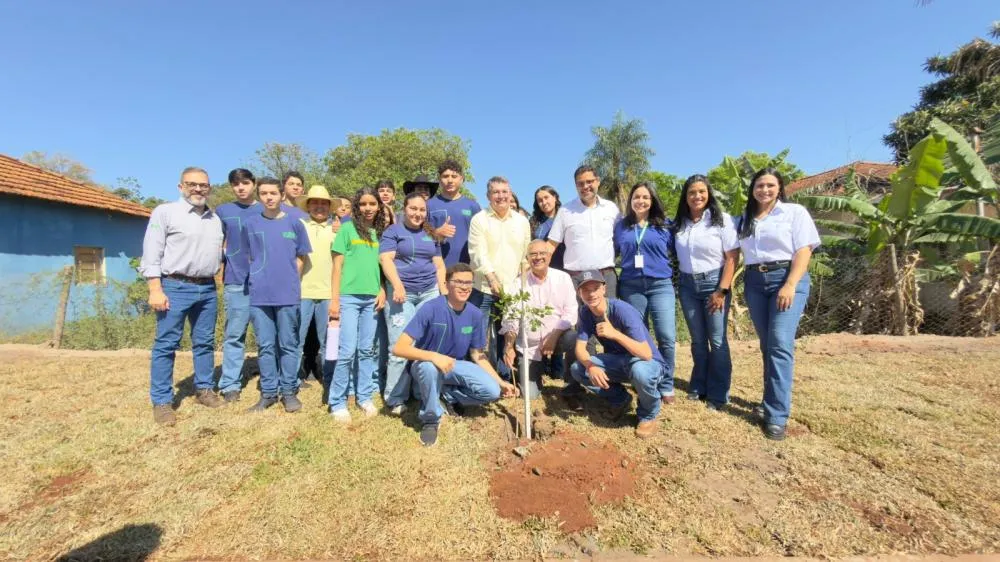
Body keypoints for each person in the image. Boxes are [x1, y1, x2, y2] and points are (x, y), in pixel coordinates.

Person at [392, 263, 519, 446]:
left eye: (468, 282)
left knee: (492, 391)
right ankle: (430, 419)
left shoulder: (475, 315)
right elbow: (399, 348)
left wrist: (501, 382)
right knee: (428, 368)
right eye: (459, 282)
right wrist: (434, 356)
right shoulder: (430, 308)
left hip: (455, 365)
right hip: (427, 365)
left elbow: (477, 355)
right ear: (446, 284)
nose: (465, 287)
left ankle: (443, 396)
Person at [737, 168, 820, 441]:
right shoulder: (745, 219)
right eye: (759, 185)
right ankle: (769, 401)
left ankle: (776, 416)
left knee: (780, 343)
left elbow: (803, 250)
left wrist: (790, 284)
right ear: (752, 189)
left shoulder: (794, 213)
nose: (764, 190)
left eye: (770, 185)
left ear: (779, 188)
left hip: (785, 278)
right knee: (767, 344)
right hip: (754, 282)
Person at [139, 167, 225, 425]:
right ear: (180, 187)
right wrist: (155, 288)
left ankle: (204, 389)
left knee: (205, 342)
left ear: (209, 188)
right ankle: (163, 401)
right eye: (192, 184)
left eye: (203, 185)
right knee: (166, 343)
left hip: (207, 288)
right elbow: (151, 252)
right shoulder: (165, 213)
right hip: (174, 285)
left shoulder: (215, 219)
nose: (198, 189)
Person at [243, 177, 312, 412]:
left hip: (288, 294)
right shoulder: (251, 224)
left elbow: (302, 256)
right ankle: (269, 393)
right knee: (266, 345)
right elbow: (249, 257)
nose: (269, 197)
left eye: (273, 193)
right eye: (264, 193)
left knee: (289, 344)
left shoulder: (295, 224)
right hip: (260, 295)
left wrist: (291, 276)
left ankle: (289, 391)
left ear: (282, 195)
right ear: (259, 196)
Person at [570, 270, 665, 439]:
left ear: (604, 289)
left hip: (647, 362)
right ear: (580, 293)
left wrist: (615, 334)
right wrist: (591, 366)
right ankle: (620, 399)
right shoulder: (585, 312)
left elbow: (646, 353)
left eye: (595, 288)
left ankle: (648, 414)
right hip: (619, 362)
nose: (591, 294)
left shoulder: (622, 310)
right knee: (578, 369)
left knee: (640, 371)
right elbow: (580, 348)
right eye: (586, 290)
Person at [672, 175, 739, 410]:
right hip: (688, 285)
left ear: (708, 193)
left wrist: (722, 290)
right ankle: (699, 384)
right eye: (692, 192)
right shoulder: (679, 224)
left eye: (701, 191)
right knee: (698, 341)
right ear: (686, 196)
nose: (697, 196)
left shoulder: (721, 221)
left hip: (714, 283)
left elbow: (732, 257)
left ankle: (719, 393)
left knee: (717, 340)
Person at [379, 192, 448, 414]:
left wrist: (443, 288)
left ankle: (422, 393)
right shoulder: (393, 231)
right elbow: (385, 259)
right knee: (399, 345)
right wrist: (397, 286)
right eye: (413, 209)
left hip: (429, 292)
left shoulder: (430, 233)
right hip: (402, 293)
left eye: (422, 210)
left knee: (425, 344)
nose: (418, 213)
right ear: (404, 209)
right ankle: (395, 396)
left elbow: (438, 264)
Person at [328, 187, 388, 423]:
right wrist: (334, 301)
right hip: (349, 298)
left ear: (378, 206)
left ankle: (364, 396)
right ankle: (338, 401)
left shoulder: (380, 233)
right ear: (357, 206)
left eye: (372, 204)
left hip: (371, 299)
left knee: (366, 350)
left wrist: (382, 288)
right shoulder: (346, 229)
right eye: (363, 204)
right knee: (346, 351)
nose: (368, 208)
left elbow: (381, 266)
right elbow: (336, 268)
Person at [614, 182, 677, 405]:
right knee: (637, 336)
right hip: (631, 286)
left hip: (660, 284)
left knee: (666, 336)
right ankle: (644, 379)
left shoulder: (665, 226)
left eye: (646, 197)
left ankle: (666, 382)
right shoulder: (621, 227)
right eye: (636, 197)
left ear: (652, 201)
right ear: (630, 200)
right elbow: (612, 252)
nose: (641, 201)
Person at [500, 239, 578, 399]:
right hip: (529, 346)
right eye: (533, 254)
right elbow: (511, 318)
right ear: (527, 258)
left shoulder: (563, 278)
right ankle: (536, 373)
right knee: (530, 396)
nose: (538, 257)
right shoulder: (518, 284)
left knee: (574, 339)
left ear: (549, 256)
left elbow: (571, 313)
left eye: (542, 253)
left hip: (558, 338)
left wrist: (553, 336)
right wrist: (509, 346)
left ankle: (573, 388)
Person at [467, 176, 532, 365]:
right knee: (478, 335)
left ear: (510, 194)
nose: (501, 196)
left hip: (512, 289)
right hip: (484, 288)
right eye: (496, 192)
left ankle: (504, 374)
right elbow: (477, 253)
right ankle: (479, 375)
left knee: (507, 333)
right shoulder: (479, 219)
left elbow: (525, 256)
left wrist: (521, 283)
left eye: (504, 192)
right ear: (488, 196)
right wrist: (492, 278)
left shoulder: (522, 222)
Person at [215, 168, 260, 403]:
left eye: (245, 183)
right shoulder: (223, 211)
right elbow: (215, 244)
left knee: (267, 336)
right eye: (236, 184)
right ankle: (230, 383)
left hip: (265, 284)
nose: (240, 187)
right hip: (236, 281)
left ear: (254, 184)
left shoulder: (267, 209)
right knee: (234, 335)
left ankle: (270, 380)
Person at [547, 165, 621, 296]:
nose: (585, 186)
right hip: (575, 279)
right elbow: (552, 244)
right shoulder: (565, 211)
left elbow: (621, 238)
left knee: (608, 315)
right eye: (580, 183)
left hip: (606, 276)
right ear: (576, 186)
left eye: (589, 181)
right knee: (576, 316)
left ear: (598, 181)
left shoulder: (611, 208)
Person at [296, 185, 339, 388]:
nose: (319, 207)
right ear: (308, 205)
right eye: (315, 202)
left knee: (328, 341)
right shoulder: (298, 225)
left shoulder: (337, 229)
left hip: (328, 293)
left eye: (324, 203)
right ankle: (292, 379)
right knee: (296, 339)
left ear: (329, 207)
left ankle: (329, 379)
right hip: (301, 292)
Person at [427, 160, 482, 267]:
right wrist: (436, 233)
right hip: (436, 268)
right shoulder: (428, 205)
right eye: (445, 176)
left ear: (461, 179)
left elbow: (481, 238)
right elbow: (419, 237)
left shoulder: (473, 206)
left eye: (454, 176)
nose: (450, 180)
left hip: (466, 268)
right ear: (439, 179)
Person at [531, 186, 565, 271]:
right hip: (544, 270)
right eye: (540, 200)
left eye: (546, 198)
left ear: (555, 198)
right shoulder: (534, 223)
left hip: (567, 269)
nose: (544, 202)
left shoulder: (566, 217)